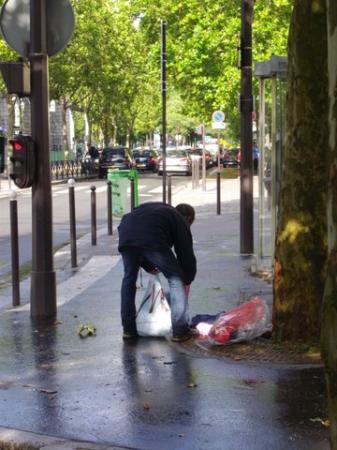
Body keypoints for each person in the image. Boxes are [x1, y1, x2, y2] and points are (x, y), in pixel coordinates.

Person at [118, 202, 197, 342]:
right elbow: (185, 253)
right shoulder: (179, 220)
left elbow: (138, 236)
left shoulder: (160, 212)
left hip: (126, 233)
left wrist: (147, 265)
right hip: (150, 237)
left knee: (129, 279)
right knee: (175, 278)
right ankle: (180, 330)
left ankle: (128, 329)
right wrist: (188, 278)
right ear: (189, 219)